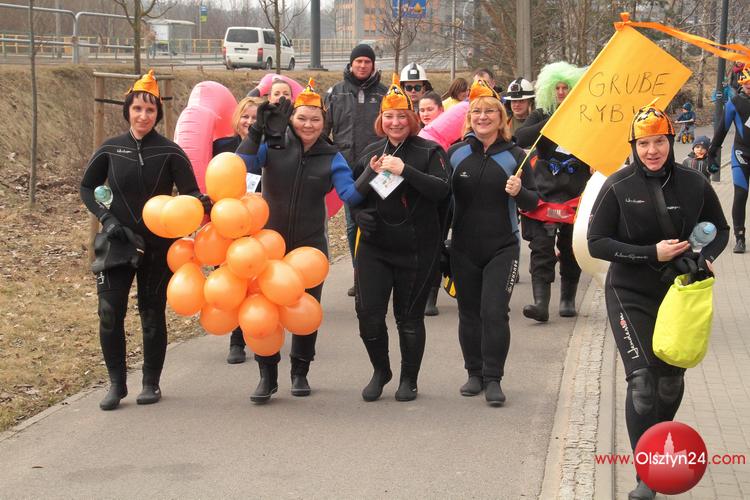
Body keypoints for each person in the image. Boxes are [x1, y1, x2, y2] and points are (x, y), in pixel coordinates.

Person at [588, 103, 728, 500]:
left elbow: (719, 229)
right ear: (634, 146)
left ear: (670, 141)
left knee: (669, 382)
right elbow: (596, 243)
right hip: (629, 292)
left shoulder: (693, 182)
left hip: (678, 293)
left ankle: (659, 449)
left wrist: (706, 257)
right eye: (644, 143)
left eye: (660, 142)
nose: (653, 151)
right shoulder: (617, 185)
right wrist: (652, 252)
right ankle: (646, 475)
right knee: (643, 383)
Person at [80, 70, 210, 411]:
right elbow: (87, 187)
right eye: (137, 109)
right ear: (127, 111)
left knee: (151, 314)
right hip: (117, 240)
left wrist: (203, 203)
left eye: (150, 110)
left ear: (157, 114)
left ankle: (151, 382)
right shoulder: (110, 148)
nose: (143, 116)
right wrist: (107, 219)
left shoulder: (171, 152)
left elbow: (191, 194)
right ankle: (116, 384)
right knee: (109, 312)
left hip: (158, 245)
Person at [236, 79, 367, 404]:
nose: (308, 125)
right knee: (265, 311)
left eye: (315, 119)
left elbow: (350, 194)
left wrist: (371, 175)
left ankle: (300, 371)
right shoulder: (273, 146)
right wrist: (257, 132)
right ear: (292, 118)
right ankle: (267, 376)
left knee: (305, 310)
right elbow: (241, 166)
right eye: (302, 118)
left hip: (310, 247)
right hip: (269, 245)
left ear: (324, 123)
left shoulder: (332, 156)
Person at [351, 75, 450, 402]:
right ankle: (381, 370)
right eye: (389, 116)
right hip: (375, 248)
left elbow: (442, 191)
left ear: (412, 119)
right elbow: (354, 195)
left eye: (401, 117)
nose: (395, 123)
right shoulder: (370, 153)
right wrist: (358, 215)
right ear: (381, 120)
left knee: (408, 319)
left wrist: (405, 170)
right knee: (368, 315)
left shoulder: (430, 151)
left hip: (416, 248)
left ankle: (409, 378)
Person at [447, 80, 539, 406]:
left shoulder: (516, 157)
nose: (483, 117)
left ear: (501, 118)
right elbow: (442, 201)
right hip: (463, 247)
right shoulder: (455, 154)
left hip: (503, 246)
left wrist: (520, 191)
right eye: (477, 112)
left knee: (495, 312)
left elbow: (533, 203)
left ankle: (494, 377)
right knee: (469, 313)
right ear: (469, 117)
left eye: (490, 111)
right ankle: (474, 373)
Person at [515, 61, 590, 322]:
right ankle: (540, 303)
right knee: (541, 246)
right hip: (545, 191)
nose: (561, 92)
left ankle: (568, 299)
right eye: (556, 88)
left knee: (571, 248)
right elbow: (521, 137)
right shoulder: (541, 114)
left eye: (565, 87)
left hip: (575, 191)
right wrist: (552, 121)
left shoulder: (586, 116)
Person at [324, 44, 388, 296]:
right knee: (353, 224)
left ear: (373, 65)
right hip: (348, 171)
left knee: (382, 220)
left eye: (367, 61)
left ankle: (382, 273)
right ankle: (359, 274)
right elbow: (323, 131)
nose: (362, 65)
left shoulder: (384, 94)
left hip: (380, 168)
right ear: (351, 64)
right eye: (358, 61)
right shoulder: (335, 94)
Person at [211, 96, 266, 365]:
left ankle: (258, 329)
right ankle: (236, 339)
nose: (249, 122)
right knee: (230, 280)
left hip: (257, 222)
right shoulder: (221, 147)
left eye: (255, 118)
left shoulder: (268, 148)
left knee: (256, 279)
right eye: (245, 116)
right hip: (226, 223)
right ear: (237, 118)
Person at [708, 67, 750, 253]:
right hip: (742, 153)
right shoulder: (734, 102)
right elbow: (722, 129)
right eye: (745, 82)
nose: (748, 86)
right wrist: (712, 154)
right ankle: (740, 237)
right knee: (740, 194)